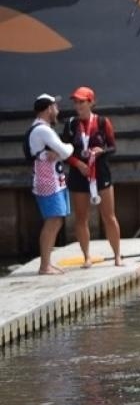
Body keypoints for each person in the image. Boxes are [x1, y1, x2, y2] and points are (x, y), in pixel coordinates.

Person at [63, 86, 122, 266]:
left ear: (91, 102)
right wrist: (78, 164)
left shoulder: (103, 122)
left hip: (101, 172)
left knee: (109, 216)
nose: (78, 105)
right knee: (81, 218)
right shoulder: (71, 124)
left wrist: (101, 151)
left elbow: (113, 147)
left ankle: (117, 255)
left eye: (82, 102)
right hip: (79, 174)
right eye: (76, 102)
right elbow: (64, 152)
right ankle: (87, 256)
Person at [26, 94, 79, 275]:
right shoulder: (43, 130)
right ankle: (44, 266)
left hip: (55, 180)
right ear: (48, 108)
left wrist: (60, 151)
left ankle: (47, 262)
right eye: (55, 106)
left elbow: (60, 152)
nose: (58, 110)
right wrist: (67, 147)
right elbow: (65, 151)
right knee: (53, 221)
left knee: (56, 221)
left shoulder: (44, 129)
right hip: (47, 181)